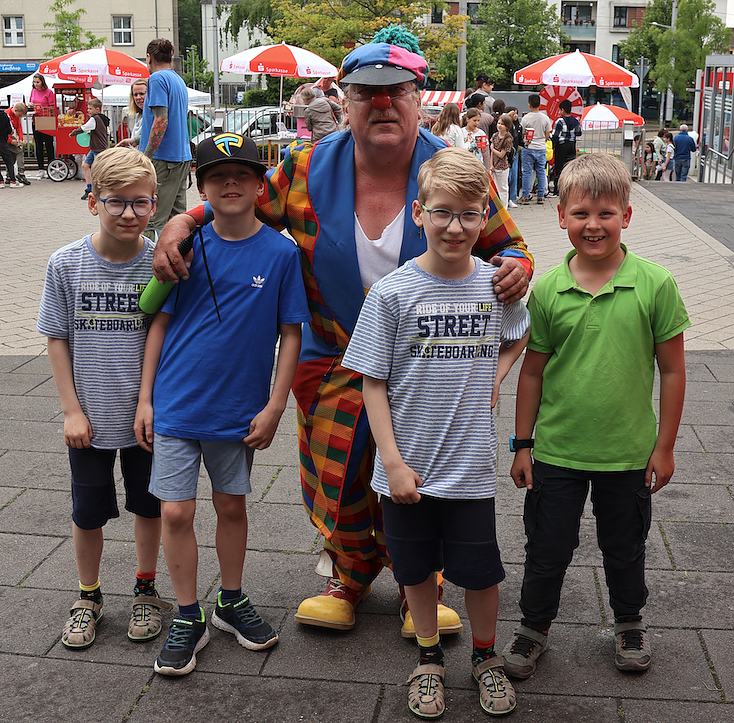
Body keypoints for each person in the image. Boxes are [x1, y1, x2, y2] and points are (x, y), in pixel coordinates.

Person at [150, 29, 532, 638]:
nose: (382, 105)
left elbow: (506, 242)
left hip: (421, 362)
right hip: (331, 354)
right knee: (335, 478)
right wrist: (180, 225)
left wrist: (516, 266)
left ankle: (421, 584)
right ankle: (349, 574)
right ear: (344, 102)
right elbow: (238, 201)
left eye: (397, 92)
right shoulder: (304, 167)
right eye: (366, 94)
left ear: (419, 97)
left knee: (419, 472)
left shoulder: (449, 172)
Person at [343, 147, 529, 718]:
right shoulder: (393, 293)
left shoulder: (496, 286)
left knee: (479, 571)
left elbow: (521, 333)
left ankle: (484, 656)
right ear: (419, 212)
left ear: (483, 218)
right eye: (443, 212)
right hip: (408, 467)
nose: (456, 226)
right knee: (417, 570)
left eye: (470, 214)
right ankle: (428, 659)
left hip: (471, 467)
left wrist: (494, 378)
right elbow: (372, 382)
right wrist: (392, 463)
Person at [502, 152, 689, 681]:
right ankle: (534, 625)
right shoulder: (546, 290)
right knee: (547, 546)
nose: (593, 225)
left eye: (606, 213)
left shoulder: (655, 284)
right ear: (560, 215)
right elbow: (532, 372)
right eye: (581, 213)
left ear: (627, 216)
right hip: (557, 451)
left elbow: (672, 371)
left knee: (625, 547)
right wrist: (522, 443)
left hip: (627, 453)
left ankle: (629, 622)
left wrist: (665, 446)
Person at [134, 133, 310, 676]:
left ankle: (230, 600)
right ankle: (188, 615)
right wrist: (145, 398)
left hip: (239, 408)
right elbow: (158, 323)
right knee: (176, 509)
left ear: (261, 185)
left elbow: (291, 334)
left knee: (232, 505)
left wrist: (276, 404)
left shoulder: (282, 254)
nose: (230, 184)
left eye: (241, 176)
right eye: (216, 177)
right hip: (177, 403)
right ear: (201, 186)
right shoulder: (182, 247)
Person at [36, 146, 169, 651]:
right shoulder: (65, 264)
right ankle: (87, 596)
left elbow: (165, 339)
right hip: (87, 419)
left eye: (140, 203)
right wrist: (71, 409)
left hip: (144, 418)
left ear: (155, 204)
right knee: (87, 511)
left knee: (148, 507)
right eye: (116, 202)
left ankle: (145, 589)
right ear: (93, 202)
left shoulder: (161, 263)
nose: (129, 213)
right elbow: (57, 338)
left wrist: (150, 402)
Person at [139, 38, 192, 238]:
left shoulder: (156, 79)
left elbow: (161, 121)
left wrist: (145, 157)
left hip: (163, 160)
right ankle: (181, 264)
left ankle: (146, 268)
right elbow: (173, 121)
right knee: (177, 219)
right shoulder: (178, 80)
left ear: (149, 57)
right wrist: (136, 139)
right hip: (181, 158)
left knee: (150, 220)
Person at [69, 98, 109, 201]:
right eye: (88, 108)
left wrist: (73, 133)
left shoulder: (94, 118)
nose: (88, 110)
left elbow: (83, 128)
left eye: (90, 109)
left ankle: (100, 191)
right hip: (97, 147)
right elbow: (105, 132)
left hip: (98, 148)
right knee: (85, 165)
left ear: (97, 109)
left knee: (98, 171)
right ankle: (89, 188)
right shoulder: (103, 119)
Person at [519, 93, 552, 206]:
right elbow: (547, 134)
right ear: (540, 104)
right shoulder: (545, 118)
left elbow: (522, 134)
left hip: (528, 147)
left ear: (529, 105)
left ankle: (525, 196)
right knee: (541, 172)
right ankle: (541, 196)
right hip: (541, 147)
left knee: (527, 172)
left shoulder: (525, 118)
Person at [550, 99, 582, 196]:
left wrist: (553, 145)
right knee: (570, 167)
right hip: (572, 146)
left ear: (562, 110)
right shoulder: (576, 120)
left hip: (561, 146)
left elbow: (555, 135)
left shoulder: (560, 121)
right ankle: (569, 189)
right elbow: (579, 133)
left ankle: (558, 189)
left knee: (559, 167)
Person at [29, 72, 56, 180]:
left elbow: (52, 106)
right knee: (38, 144)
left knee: (48, 144)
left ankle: (51, 167)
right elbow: (31, 102)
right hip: (36, 119)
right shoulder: (33, 91)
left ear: (42, 82)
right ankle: (41, 168)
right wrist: (31, 104)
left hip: (46, 119)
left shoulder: (49, 92)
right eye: (34, 82)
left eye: (37, 82)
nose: (36, 84)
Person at [490, 114, 514, 207]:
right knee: (494, 188)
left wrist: (492, 149)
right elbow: (492, 153)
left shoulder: (508, 139)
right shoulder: (495, 135)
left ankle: (504, 207)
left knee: (503, 188)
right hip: (494, 166)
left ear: (507, 126)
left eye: (502, 124)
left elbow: (501, 155)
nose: (499, 125)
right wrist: (491, 165)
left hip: (503, 167)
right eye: (499, 123)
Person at [4, 103, 31, 185]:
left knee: (12, 155)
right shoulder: (6, 115)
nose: (19, 117)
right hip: (6, 138)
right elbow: (3, 130)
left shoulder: (15, 115)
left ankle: (9, 176)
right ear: (15, 110)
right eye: (19, 115)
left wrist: (21, 138)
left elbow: (19, 126)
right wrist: (10, 141)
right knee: (19, 152)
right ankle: (21, 173)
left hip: (9, 136)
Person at [118, 80, 149, 149]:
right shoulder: (138, 116)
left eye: (141, 93)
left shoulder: (153, 114)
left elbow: (154, 135)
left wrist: (134, 140)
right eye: (135, 94)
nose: (138, 97)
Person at [0, 108, 22, 187]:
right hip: (2, 140)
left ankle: (0, 181)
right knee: (9, 161)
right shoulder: (4, 115)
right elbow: (10, 129)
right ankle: (12, 180)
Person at [505, 107, 523, 208]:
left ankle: (512, 197)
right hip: (506, 153)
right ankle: (506, 198)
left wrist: (526, 143)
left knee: (514, 176)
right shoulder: (506, 126)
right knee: (508, 176)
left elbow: (519, 140)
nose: (515, 116)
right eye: (513, 114)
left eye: (516, 114)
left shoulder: (518, 126)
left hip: (514, 153)